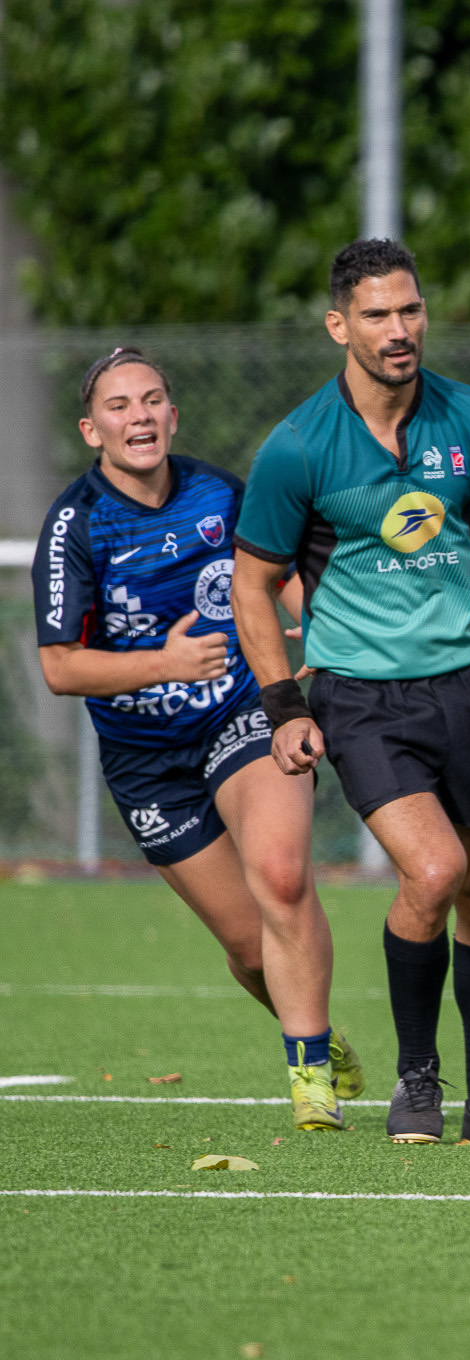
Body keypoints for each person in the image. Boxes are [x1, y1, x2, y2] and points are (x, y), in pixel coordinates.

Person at [231, 238, 470, 1144]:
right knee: (435, 872)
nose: (400, 330)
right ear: (338, 324)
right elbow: (252, 585)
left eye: (412, 310)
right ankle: (416, 1081)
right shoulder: (298, 446)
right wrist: (284, 704)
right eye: (379, 315)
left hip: (466, 686)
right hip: (358, 696)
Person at [33, 347, 362, 1130]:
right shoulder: (76, 525)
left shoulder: (218, 492)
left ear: (173, 416)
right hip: (147, 763)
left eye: (152, 400)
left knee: (281, 876)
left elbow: (274, 572)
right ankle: (318, 1030)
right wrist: (166, 662)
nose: (138, 415)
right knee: (252, 949)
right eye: (119, 405)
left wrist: (311, 618)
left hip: (241, 716)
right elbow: (59, 667)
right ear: (92, 429)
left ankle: (310, 1075)